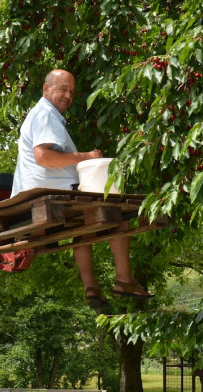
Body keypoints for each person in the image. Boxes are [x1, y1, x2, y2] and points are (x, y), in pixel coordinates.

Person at [11, 69, 152, 313]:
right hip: (50, 194)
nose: (68, 95)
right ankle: (124, 280)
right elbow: (43, 157)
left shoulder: (41, 114)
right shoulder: (46, 113)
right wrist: (85, 156)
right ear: (46, 89)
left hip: (46, 193)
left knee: (83, 226)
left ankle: (91, 288)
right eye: (62, 89)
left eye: (72, 91)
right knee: (117, 212)